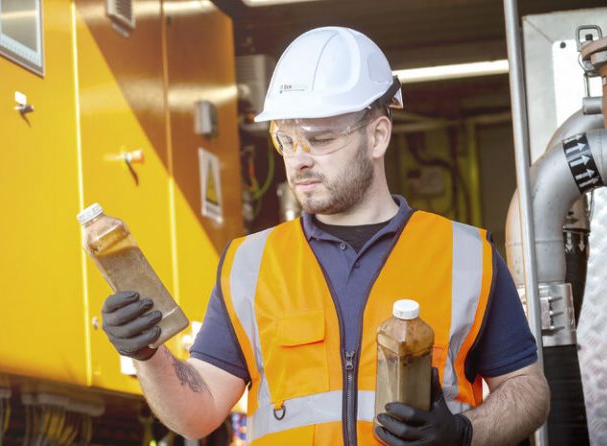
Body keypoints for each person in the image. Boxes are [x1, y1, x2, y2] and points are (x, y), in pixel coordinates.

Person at [101, 27, 550, 446]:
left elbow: (528, 391)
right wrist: (148, 355)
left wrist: (461, 432)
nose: (298, 159)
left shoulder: (466, 255)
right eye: (287, 139)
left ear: (377, 136)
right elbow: (196, 414)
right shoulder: (248, 263)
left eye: (319, 138)